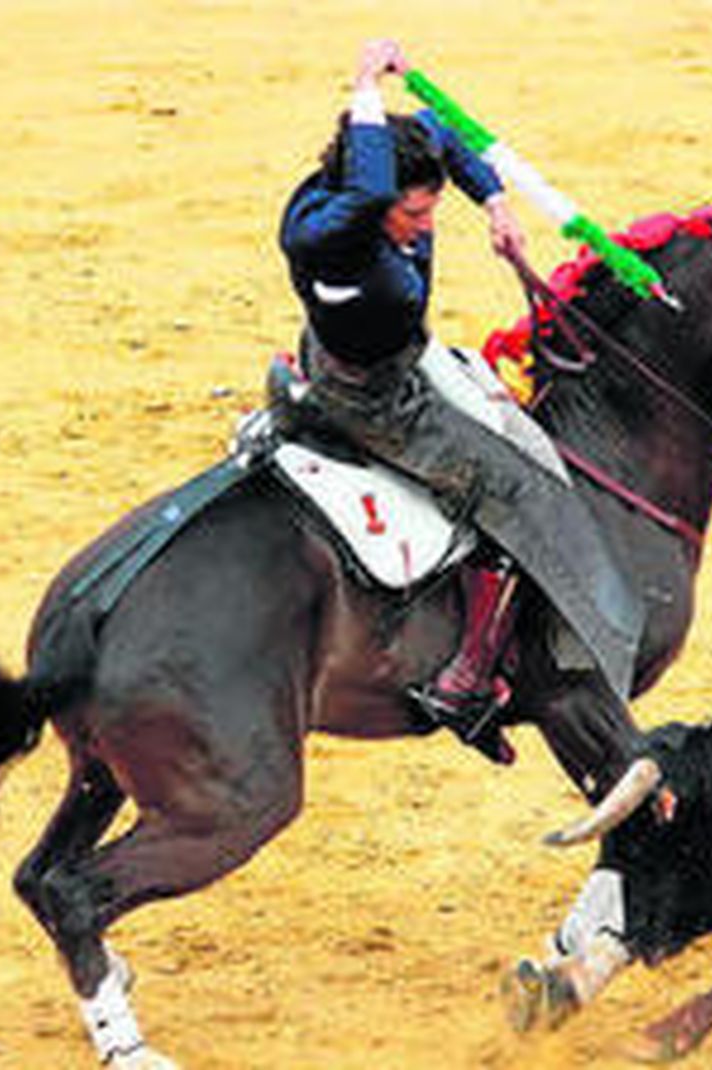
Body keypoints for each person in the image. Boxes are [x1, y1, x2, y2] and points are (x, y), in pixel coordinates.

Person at [277, 38, 643, 760]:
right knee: (512, 488)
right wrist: (363, 84)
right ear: (377, 205)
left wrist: (497, 201)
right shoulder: (339, 234)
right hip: (377, 399)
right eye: (414, 215)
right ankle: (465, 679)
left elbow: (445, 138)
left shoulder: (358, 194)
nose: (428, 223)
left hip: (373, 354)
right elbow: (374, 189)